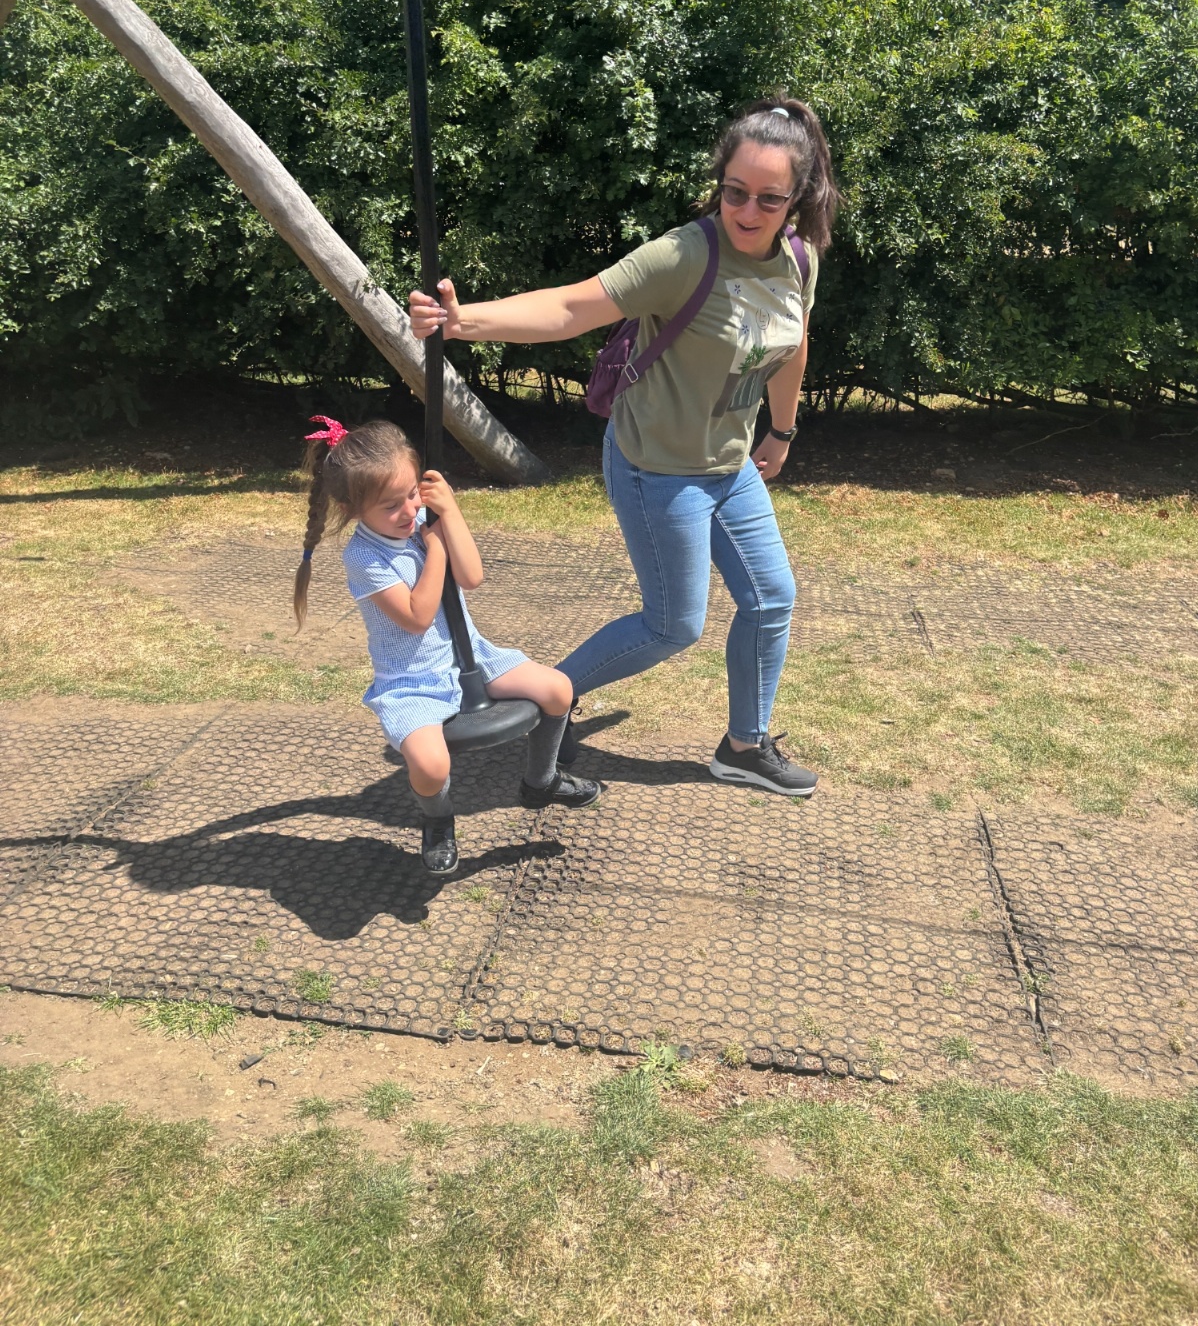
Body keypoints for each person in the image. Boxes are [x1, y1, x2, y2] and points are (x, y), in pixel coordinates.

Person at [409, 96, 839, 796]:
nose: (748, 210)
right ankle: (550, 694)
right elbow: (571, 307)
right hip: (656, 468)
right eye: (735, 192)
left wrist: (782, 430)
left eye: (769, 198)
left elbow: (793, 345)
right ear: (720, 184)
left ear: (798, 198)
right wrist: (463, 322)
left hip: (729, 465)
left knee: (770, 600)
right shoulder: (685, 255)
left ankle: (744, 746)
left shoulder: (797, 260)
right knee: (673, 626)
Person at [293, 417, 601, 876]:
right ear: (351, 509)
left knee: (558, 689)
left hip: (470, 654)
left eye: (412, 494)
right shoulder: (364, 557)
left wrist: (450, 513)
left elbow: (472, 577)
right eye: (391, 506)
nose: (408, 511)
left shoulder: (425, 519)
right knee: (431, 764)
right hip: (411, 681)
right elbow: (416, 616)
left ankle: (542, 780)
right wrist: (435, 549)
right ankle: (438, 821)